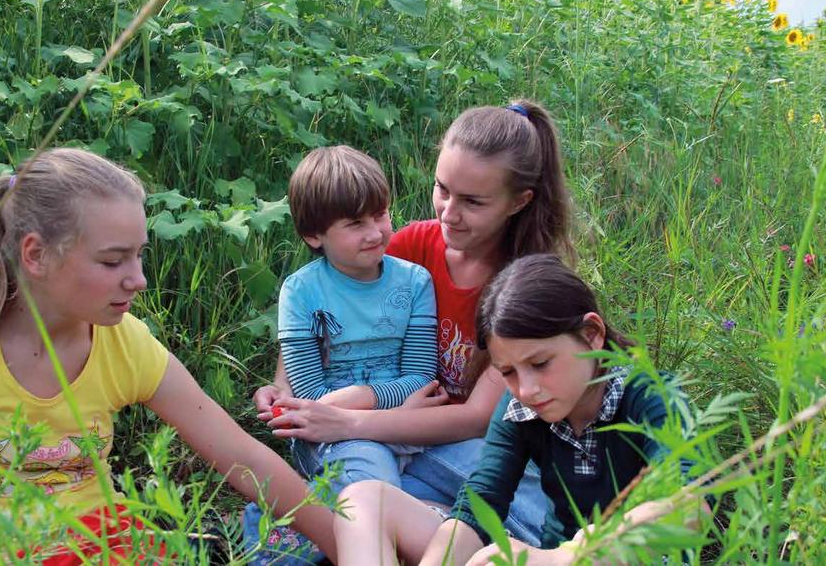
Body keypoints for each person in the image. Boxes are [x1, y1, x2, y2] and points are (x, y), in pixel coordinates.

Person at [0, 148, 337, 565]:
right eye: (113, 262)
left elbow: (243, 456)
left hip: (104, 543)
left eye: (139, 256)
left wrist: (344, 544)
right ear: (36, 254)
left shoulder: (123, 341)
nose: (139, 280)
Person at [253, 100, 576, 548]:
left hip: (450, 435)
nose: (448, 212)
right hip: (385, 424)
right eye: (442, 189)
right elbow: (330, 317)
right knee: (370, 501)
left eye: (472, 202)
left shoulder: (524, 286)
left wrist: (353, 419)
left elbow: (478, 419)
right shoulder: (414, 248)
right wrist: (284, 385)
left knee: (537, 511)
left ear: (519, 202)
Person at [334, 254, 707, 565]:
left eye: (541, 363)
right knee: (365, 498)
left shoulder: (652, 396)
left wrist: (566, 556)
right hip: (548, 552)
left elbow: (693, 505)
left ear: (592, 335)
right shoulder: (522, 408)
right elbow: (480, 504)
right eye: (508, 372)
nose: (526, 389)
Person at [278, 144, 437, 490]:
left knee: (478, 461)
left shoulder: (415, 282)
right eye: (354, 223)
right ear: (313, 235)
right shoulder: (300, 292)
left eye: (380, 214)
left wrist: (362, 398)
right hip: (328, 438)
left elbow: (422, 377)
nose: (375, 232)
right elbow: (313, 399)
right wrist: (384, 407)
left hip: (408, 425)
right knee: (372, 478)